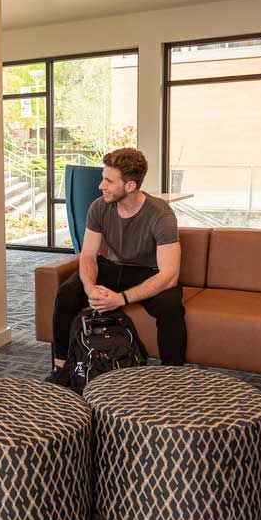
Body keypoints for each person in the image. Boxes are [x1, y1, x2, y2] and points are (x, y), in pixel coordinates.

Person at [46, 148, 186, 384]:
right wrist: (90, 287)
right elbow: (88, 256)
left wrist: (120, 299)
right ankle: (61, 369)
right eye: (103, 178)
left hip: (147, 272)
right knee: (67, 294)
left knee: (171, 306)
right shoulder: (99, 207)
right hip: (112, 267)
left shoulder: (161, 214)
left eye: (108, 181)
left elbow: (169, 275)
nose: (101, 186)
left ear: (130, 185)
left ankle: (172, 376)